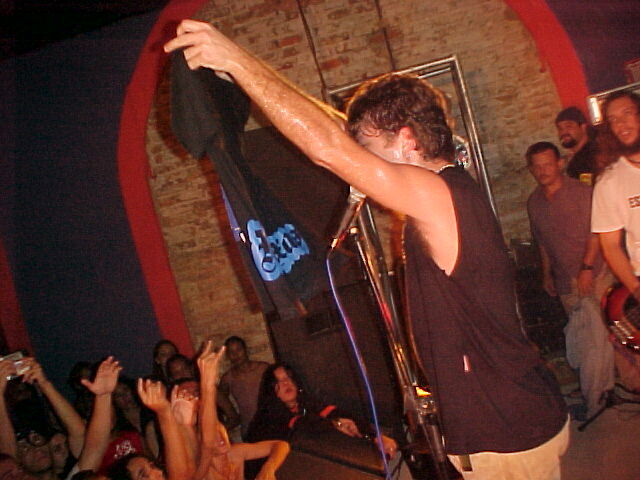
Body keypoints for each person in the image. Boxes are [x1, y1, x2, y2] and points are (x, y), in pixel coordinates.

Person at [164, 20, 569, 479]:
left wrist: (236, 60)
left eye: (373, 149)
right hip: (506, 416)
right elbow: (342, 133)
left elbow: (330, 148)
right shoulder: (448, 187)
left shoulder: (437, 194)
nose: (366, 164)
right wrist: (250, 77)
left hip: (508, 431)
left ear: (408, 140)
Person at [526, 141, 614, 415]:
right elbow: (543, 242)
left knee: (601, 338)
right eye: (537, 166)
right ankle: (594, 387)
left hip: (595, 274)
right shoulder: (534, 203)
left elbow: (597, 232)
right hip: (565, 280)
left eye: (547, 164)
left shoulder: (582, 193)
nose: (543, 170)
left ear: (560, 164)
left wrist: (586, 268)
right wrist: (547, 274)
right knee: (582, 338)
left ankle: (597, 397)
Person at [592, 89, 640, 392]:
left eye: (627, 114)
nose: (621, 124)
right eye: (613, 120)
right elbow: (610, 246)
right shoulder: (609, 182)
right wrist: (635, 289)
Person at [247, 363, 398, 457]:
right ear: (271, 390)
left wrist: (376, 436)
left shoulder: (306, 402)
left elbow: (339, 414)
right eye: (279, 381)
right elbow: (303, 426)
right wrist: (335, 424)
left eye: (288, 378)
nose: (286, 383)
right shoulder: (269, 415)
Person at [218, 336, 267, 439]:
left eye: (239, 350)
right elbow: (221, 402)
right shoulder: (228, 378)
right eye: (231, 352)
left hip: (271, 424)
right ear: (227, 356)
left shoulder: (263, 369)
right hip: (250, 429)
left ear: (245, 350)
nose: (236, 355)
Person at [555, 106, 598, 184]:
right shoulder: (574, 158)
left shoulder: (591, 156)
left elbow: (586, 188)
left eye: (568, 126)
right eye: (560, 128)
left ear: (583, 127)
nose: (563, 132)